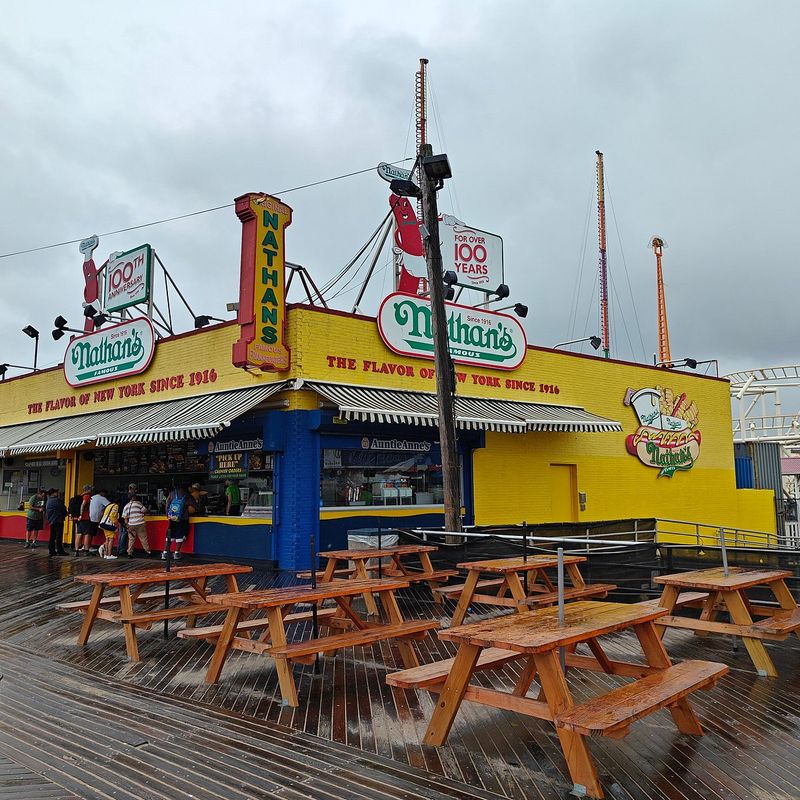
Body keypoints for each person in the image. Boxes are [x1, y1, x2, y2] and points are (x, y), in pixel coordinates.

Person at [162, 484, 197, 560]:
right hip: (183, 519)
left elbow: (167, 505)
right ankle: (176, 553)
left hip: (173, 518)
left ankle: (165, 553)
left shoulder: (171, 494)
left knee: (170, 535)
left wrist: (168, 515)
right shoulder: (187, 495)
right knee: (180, 535)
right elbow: (196, 506)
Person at [122, 493, 152, 558]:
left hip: (131, 524)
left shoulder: (126, 506)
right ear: (133, 497)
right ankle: (147, 552)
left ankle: (129, 553)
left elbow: (125, 518)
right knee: (143, 538)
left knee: (131, 539)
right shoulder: (138, 503)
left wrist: (127, 526)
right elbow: (145, 510)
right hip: (140, 523)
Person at [115, 483, 137, 557]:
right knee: (124, 533)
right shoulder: (130, 496)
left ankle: (119, 549)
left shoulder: (123, 496)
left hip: (121, 516)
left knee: (121, 533)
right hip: (126, 517)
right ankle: (122, 550)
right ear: (133, 489)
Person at [88, 488, 110, 556]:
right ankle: (88, 546)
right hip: (96, 518)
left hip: (90, 517)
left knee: (89, 533)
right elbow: (110, 505)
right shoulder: (102, 498)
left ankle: (86, 546)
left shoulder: (93, 497)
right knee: (91, 533)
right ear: (102, 493)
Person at [45, 489, 68, 556]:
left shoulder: (48, 501)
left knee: (52, 536)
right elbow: (63, 509)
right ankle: (60, 550)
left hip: (52, 521)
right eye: (56, 492)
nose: (57, 493)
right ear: (53, 493)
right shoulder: (57, 501)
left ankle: (52, 550)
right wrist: (65, 514)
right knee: (58, 536)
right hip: (58, 520)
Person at [73, 484, 94, 556]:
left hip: (79, 518)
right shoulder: (87, 496)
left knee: (79, 534)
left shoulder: (80, 496)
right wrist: (81, 515)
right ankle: (86, 550)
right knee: (87, 534)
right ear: (88, 490)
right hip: (85, 518)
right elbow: (83, 505)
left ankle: (76, 550)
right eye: (91, 489)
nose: (92, 490)